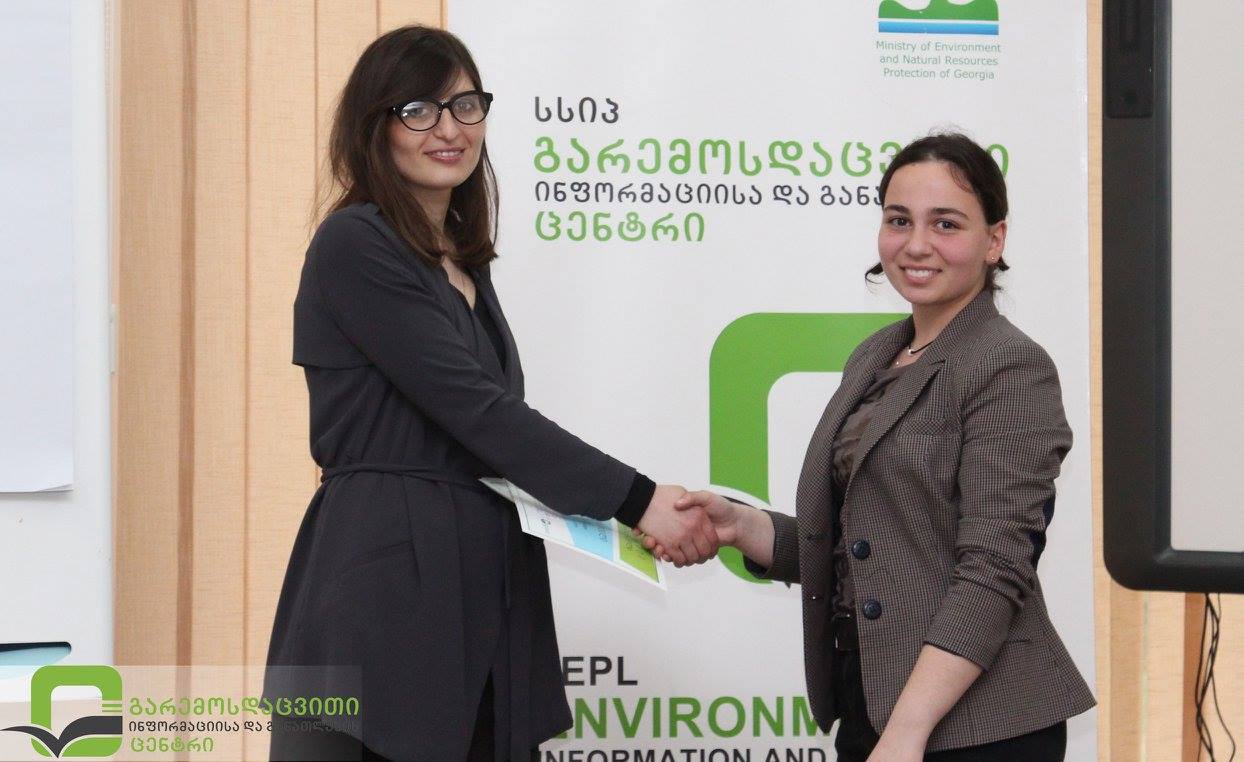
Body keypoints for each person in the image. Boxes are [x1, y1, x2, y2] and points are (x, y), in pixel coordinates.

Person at [263, 26, 718, 762]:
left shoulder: (462, 262)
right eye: (419, 110)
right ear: (375, 128)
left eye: (465, 105)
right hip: (384, 592)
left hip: (482, 585)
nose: (449, 129)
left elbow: (488, 425)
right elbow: (482, 414)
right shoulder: (354, 243)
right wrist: (638, 500)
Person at [659, 134, 1095, 760]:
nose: (916, 244)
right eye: (899, 220)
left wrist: (908, 731)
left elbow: (994, 569)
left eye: (946, 224)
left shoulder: (1008, 365)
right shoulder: (875, 355)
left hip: (977, 726)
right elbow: (871, 545)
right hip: (871, 704)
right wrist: (740, 526)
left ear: (994, 240)